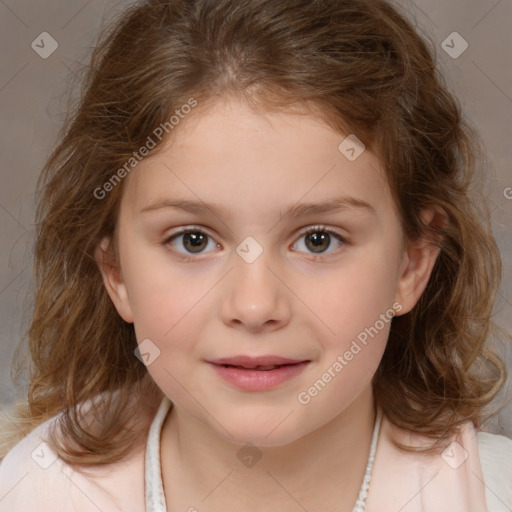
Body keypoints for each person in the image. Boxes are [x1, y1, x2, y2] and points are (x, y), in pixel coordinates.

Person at [0, 0, 511, 510]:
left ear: (412, 262)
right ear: (116, 273)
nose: (254, 305)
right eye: (193, 240)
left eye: (318, 240)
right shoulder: (36, 492)